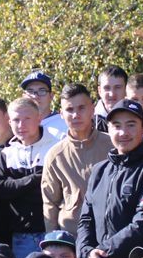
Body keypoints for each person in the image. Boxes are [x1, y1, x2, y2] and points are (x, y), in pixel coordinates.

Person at [76, 98, 143, 258]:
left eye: (131, 125)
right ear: (108, 128)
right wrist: (86, 252)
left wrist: (101, 251)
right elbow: (86, 218)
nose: (123, 133)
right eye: (117, 125)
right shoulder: (100, 170)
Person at [0, 96, 60, 258]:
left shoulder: (56, 147)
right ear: (9, 122)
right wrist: (35, 179)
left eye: (27, 119)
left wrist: (16, 188)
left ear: (39, 118)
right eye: (16, 120)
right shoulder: (7, 154)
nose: (21, 125)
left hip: (54, 232)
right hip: (21, 236)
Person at [41, 84, 113, 235]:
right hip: (72, 237)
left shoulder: (112, 146)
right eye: (69, 110)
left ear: (92, 109)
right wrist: (53, 241)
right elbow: (50, 204)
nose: (75, 115)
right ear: (61, 114)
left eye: (81, 108)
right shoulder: (55, 156)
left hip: (110, 234)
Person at [19, 69, 68, 139]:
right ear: (23, 96)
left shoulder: (65, 125)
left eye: (42, 91)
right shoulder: (18, 128)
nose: (35, 96)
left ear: (51, 96)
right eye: (30, 91)